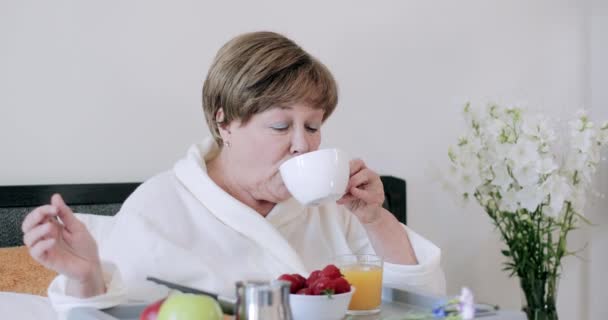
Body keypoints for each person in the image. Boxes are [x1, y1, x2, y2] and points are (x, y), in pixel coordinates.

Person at [21, 31, 445, 316]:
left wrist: (375, 218)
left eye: (313, 126)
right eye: (281, 126)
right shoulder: (161, 206)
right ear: (224, 123)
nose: (303, 145)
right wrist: (85, 276)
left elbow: (423, 303)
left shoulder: (331, 209)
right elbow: (106, 313)